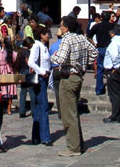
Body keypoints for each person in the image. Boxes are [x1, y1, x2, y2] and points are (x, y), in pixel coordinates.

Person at [51, 16, 98, 157]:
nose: (60, 28)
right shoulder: (81, 38)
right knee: (73, 111)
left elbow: (61, 58)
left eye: (61, 25)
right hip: (78, 76)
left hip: (68, 76)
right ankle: (79, 143)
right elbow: (95, 52)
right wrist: (84, 63)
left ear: (66, 27)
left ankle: (73, 147)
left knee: (68, 114)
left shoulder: (67, 39)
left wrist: (53, 56)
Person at [27, 26, 52, 146]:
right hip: (41, 78)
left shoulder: (44, 47)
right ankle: (45, 137)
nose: (48, 35)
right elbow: (31, 62)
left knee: (38, 108)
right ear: (41, 35)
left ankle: (36, 135)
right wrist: (42, 72)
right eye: (46, 33)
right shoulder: (37, 46)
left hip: (45, 78)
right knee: (43, 107)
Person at [103, 23, 120, 123]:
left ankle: (116, 116)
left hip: (114, 70)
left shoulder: (114, 43)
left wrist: (116, 67)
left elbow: (114, 56)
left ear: (112, 33)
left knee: (114, 94)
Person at [88, 11, 113, 95]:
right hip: (110, 48)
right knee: (111, 69)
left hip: (100, 48)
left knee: (100, 69)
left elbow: (88, 35)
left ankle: (99, 89)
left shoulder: (97, 26)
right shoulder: (112, 26)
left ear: (101, 18)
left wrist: (94, 43)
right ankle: (111, 89)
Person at [0, 37, 17, 115]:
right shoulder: (13, 53)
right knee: (9, 90)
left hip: (1, 70)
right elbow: (15, 61)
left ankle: (0, 107)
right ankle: (9, 109)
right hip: (9, 70)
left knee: (1, 88)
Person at [48, 29, 62, 120]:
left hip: (55, 69)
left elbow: (50, 59)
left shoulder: (53, 46)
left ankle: (60, 112)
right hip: (64, 69)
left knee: (57, 92)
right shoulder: (65, 45)